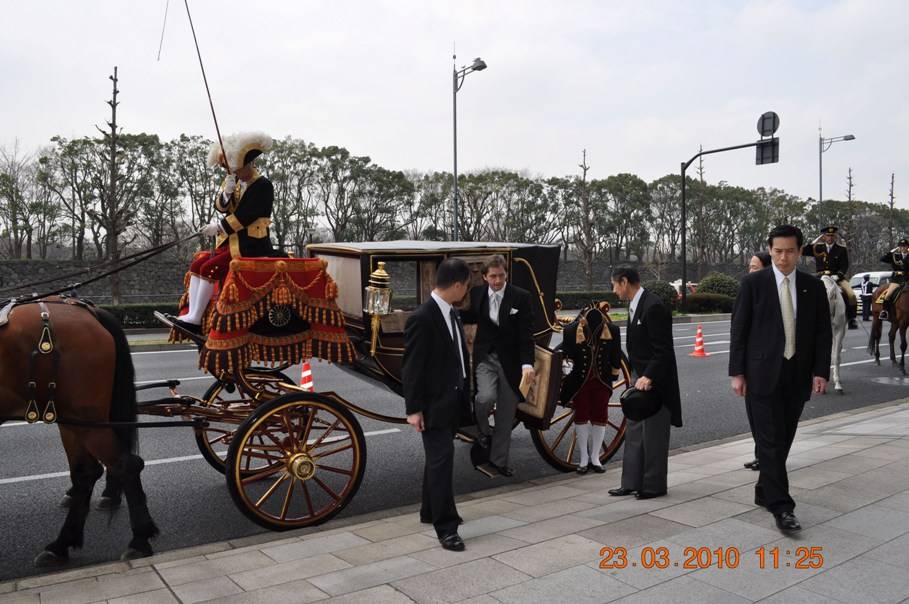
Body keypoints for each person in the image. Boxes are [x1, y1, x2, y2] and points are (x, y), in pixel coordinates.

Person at [730, 224, 832, 532]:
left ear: (800, 252)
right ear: (770, 251)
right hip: (760, 375)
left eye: (789, 251)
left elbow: (822, 333)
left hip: (797, 375)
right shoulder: (753, 284)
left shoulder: (812, 287)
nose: (783, 258)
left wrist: (820, 372)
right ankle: (782, 507)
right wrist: (737, 372)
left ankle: (764, 490)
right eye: (777, 251)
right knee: (770, 442)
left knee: (783, 439)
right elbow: (740, 330)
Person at [171, 132, 275, 336]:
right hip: (231, 241)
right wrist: (226, 194)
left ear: (251, 163)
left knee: (209, 268)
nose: (234, 172)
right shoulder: (233, 181)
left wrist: (218, 227)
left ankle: (195, 317)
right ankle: (191, 313)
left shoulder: (263, 186)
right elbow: (220, 207)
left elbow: (246, 215)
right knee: (197, 266)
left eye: (237, 168)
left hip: (251, 245)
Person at [402, 258, 472, 552]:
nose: (467, 291)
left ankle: (429, 510)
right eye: (466, 286)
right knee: (442, 462)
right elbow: (412, 369)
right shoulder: (423, 317)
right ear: (457, 285)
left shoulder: (451, 313)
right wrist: (413, 410)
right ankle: (447, 527)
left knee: (438, 459)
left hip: (452, 399)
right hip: (433, 404)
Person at [607, 267, 682, 500]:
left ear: (624, 282)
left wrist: (648, 376)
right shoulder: (636, 304)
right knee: (634, 431)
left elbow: (664, 350)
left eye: (614, 285)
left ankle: (653, 486)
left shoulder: (654, 306)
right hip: (639, 376)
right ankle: (630, 482)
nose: (613, 290)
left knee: (653, 435)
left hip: (656, 381)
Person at [459, 255, 535, 477]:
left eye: (501, 275)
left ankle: (499, 462)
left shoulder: (521, 297)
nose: (498, 280)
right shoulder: (477, 294)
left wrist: (527, 364)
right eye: (493, 276)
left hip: (512, 363)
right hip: (486, 359)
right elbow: (469, 316)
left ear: (506, 274)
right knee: (484, 398)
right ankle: (483, 432)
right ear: (484, 277)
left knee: (505, 414)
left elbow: (526, 334)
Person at [559, 304, 622, 474]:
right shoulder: (571, 331)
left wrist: (614, 375)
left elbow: (616, 355)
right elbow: (566, 355)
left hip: (601, 380)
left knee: (600, 415)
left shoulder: (613, 330)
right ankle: (584, 458)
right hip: (580, 381)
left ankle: (595, 457)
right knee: (582, 414)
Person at [742, 251, 772, 472]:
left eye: (755, 267)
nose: (750, 271)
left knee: (847, 293)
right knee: (753, 415)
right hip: (752, 366)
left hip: (769, 367)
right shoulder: (749, 290)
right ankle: (760, 453)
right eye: (750, 267)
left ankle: (852, 317)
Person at [801, 226, 858, 329]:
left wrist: (839, 275)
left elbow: (844, 265)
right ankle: (805, 317)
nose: (830, 238)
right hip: (820, 276)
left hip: (837, 277)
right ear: (824, 237)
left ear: (835, 236)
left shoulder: (841, 249)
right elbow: (803, 251)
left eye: (832, 235)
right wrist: (815, 241)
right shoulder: (817, 247)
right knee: (805, 292)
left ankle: (851, 319)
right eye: (827, 236)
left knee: (851, 294)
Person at [877, 238, 909, 321]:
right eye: (901, 246)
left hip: (908, 278)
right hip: (897, 279)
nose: (902, 248)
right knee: (888, 294)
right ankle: (885, 311)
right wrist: (891, 252)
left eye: (904, 246)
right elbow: (882, 259)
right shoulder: (895, 255)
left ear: (907, 247)